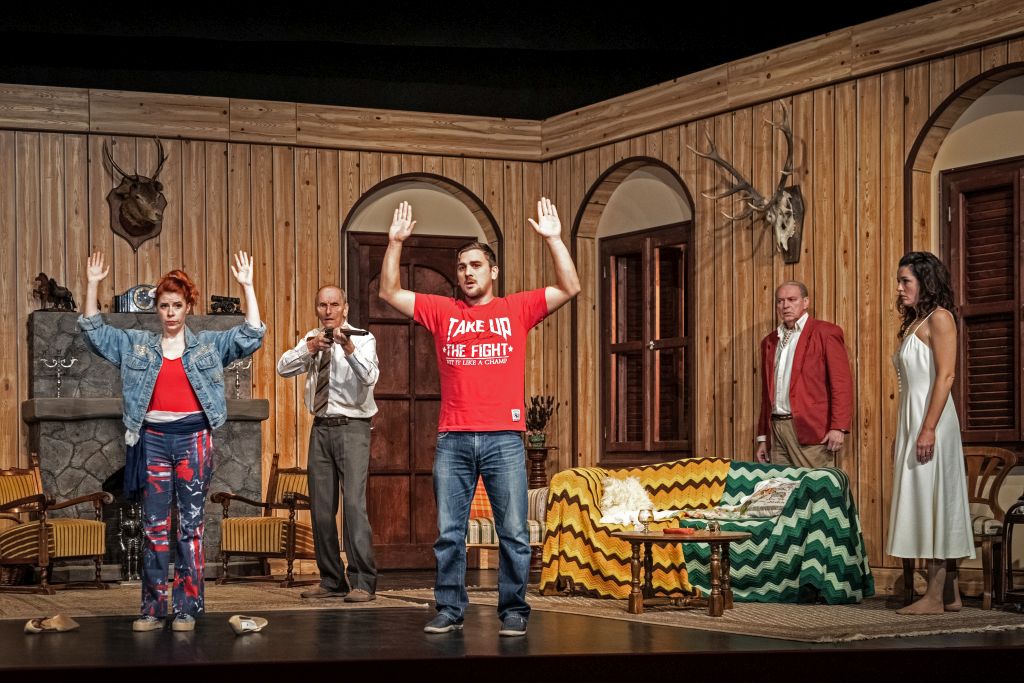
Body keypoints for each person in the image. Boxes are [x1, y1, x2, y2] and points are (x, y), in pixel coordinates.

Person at [379, 198, 580, 637]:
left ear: (493, 272)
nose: (467, 273)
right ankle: (450, 609)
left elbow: (569, 286)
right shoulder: (443, 311)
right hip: (453, 438)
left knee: (514, 533)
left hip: (504, 438)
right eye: (462, 267)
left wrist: (554, 239)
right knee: (450, 534)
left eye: (475, 265)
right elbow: (390, 292)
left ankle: (513, 610)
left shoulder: (516, 309)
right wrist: (394, 243)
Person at [79, 251, 264, 632]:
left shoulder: (208, 345)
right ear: (157, 309)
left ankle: (187, 609)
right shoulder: (138, 345)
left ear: (188, 307)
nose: (170, 313)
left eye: (177, 305)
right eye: (164, 306)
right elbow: (95, 332)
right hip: (153, 440)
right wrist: (93, 284)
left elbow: (251, 335)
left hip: (194, 439)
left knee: (191, 528)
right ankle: (152, 608)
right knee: (154, 526)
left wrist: (247, 286)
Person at [276, 286, 379, 602]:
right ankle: (332, 580)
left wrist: (347, 347)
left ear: (345, 308)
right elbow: (282, 368)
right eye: (323, 305)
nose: (329, 310)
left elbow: (370, 377)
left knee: (353, 507)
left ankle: (363, 581)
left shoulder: (363, 339)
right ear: (317, 309)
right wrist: (309, 348)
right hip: (320, 428)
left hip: (352, 427)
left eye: (335, 304)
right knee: (321, 508)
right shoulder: (312, 338)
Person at [887, 251, 975, 614]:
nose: (899, 287)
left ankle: (935, 597)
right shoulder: (916, 321)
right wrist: (907, 431)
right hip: (915, 420)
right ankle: (950, 594)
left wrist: (927, 428)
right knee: (923, 499)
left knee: (936, 499)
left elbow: (946, 376)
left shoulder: (940, 318)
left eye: (905, 280)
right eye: (899, 280)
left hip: (934, 422)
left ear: (926, 281)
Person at [755, 281, 853, 468]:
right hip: (776, 429)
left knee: (814, 484)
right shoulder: (770, 341)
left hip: (810, 428)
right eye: (780, 301)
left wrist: (838, 427)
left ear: (805, 302)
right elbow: (766, 393)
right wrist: (763, 437)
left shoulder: (825, 333)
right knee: (782, 485)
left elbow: (841, 384)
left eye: (792, 299)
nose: (785, 305)